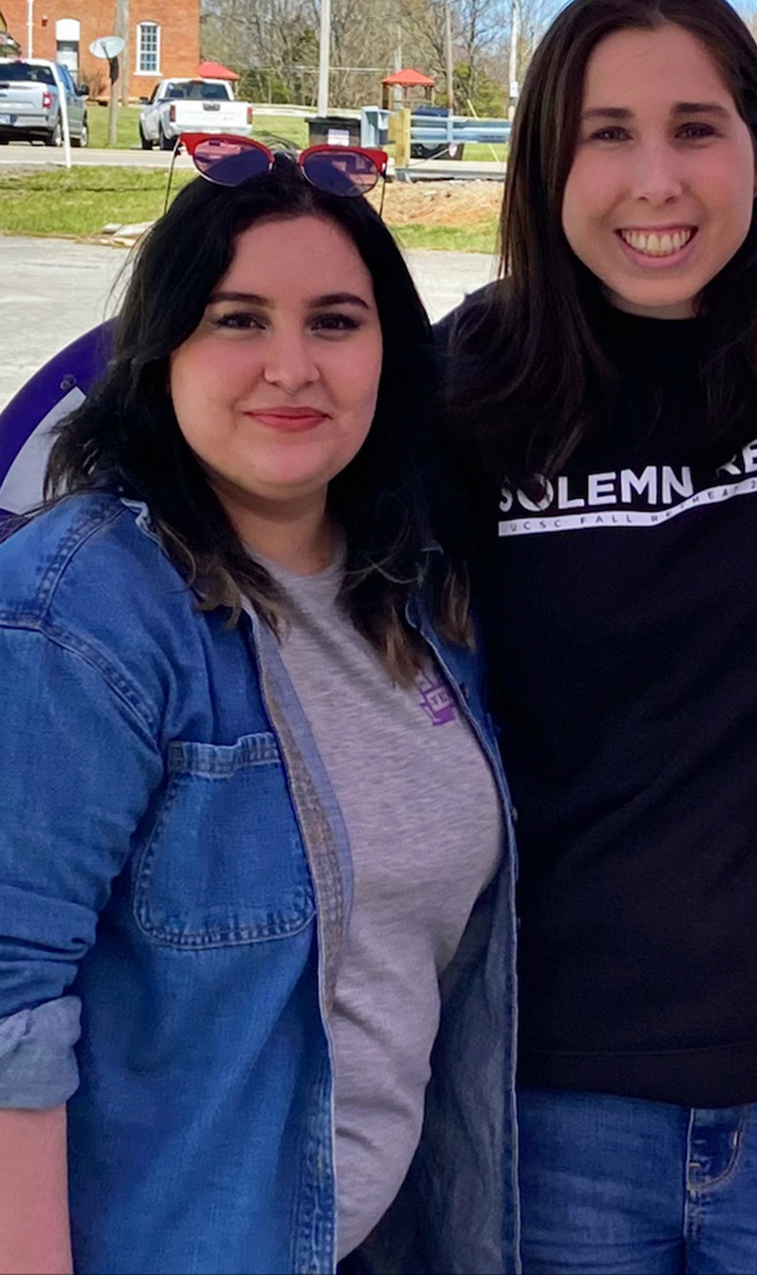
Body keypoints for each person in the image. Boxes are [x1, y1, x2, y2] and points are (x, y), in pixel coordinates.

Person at [444, 0, 757, 1274]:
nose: (655, 180)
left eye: (697, 129)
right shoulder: (463, 392)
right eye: (606, 133)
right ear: (545, 167)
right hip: (555, 1102)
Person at [0, 144, 518, 1275]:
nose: (292, 366)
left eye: (336, 321)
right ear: (164, 346)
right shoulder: (80, 610)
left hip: (375, 1236)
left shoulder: (415, 591)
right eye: (238, 320)